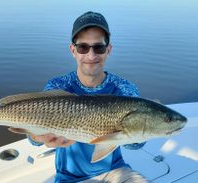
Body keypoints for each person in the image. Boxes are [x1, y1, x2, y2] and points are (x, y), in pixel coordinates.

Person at [10, 11, 148, 183]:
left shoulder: (124, 89)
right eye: (83, 47)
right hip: (68, 178)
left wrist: (140, 130)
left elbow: (136, 145)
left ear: (108, 50)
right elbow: (35, 141)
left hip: (116, 172)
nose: (91, 56)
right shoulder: (58, 86)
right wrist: (38, 137)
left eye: (99, 47)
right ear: (73, 50)